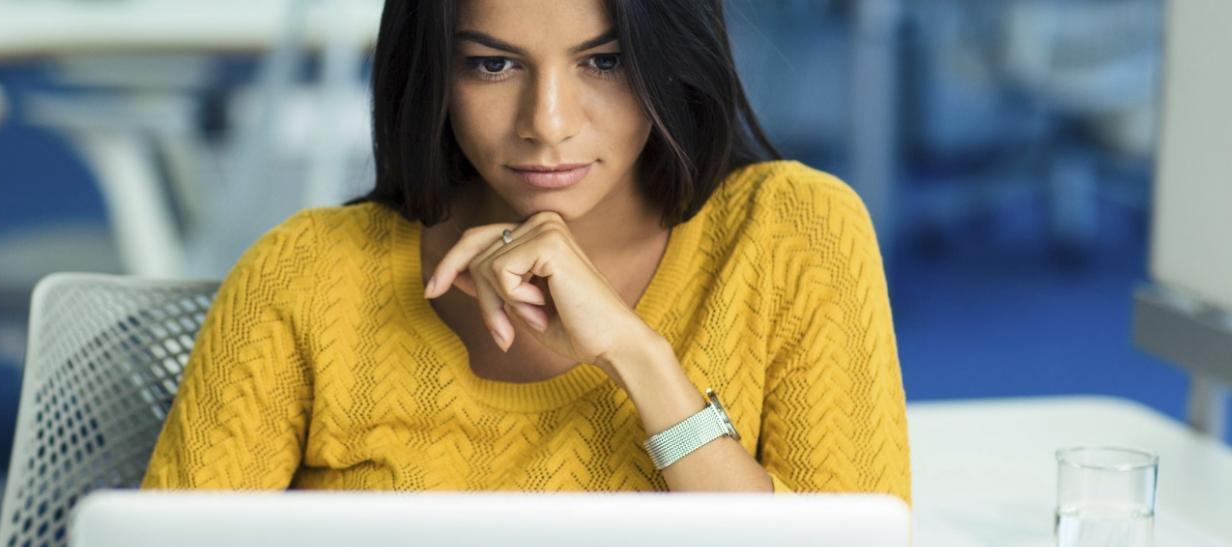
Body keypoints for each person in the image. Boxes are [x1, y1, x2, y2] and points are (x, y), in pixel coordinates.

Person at [141, 0, 911, 504]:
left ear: (670, 58)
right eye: (492, 64)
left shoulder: (792, 233)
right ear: (433, 74)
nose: (547, 122)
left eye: (603, 62)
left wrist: (639, 358)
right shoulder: (306, 274)